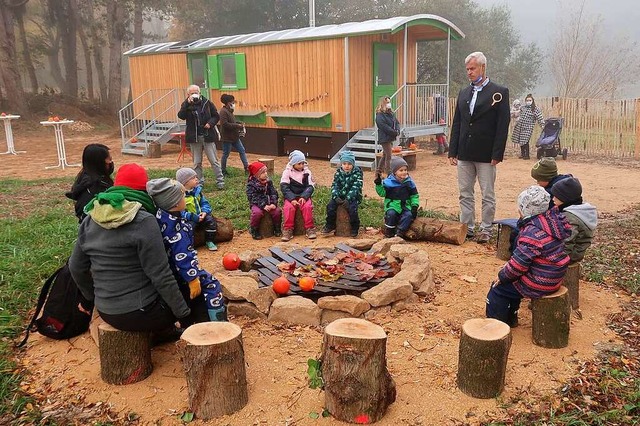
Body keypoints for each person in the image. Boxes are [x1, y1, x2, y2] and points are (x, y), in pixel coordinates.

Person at [68, 164, 191, 340]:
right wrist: (184, 315)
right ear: (144, 190)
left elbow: (76, 267)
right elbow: (160, 274)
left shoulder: (90, 217)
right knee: (187, 287)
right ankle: (164, 331)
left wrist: (91, 298)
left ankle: (158, 332)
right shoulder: (144, 220)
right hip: (142, 312)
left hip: (106, 311)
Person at [486, 185, 571, 327]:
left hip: (540, 281)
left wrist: (502, 276)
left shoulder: (532, 233)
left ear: (524, 210)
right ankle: (511, 318)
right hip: (553, 276)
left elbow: (519, 265)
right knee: (512, 283)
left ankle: (497, 324)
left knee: (499, 289)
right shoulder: (552, 222)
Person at [449, 51, 510, 243]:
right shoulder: (464, 92)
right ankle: (466, 227)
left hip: (486, 154)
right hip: (464, 152)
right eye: (467, 69)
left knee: (487, 194)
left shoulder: (499, 92)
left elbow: (503, 126)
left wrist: (497, 153)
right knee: (465, 193)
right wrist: (453, 150)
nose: (469, 72)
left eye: (472, 68)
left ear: (482, 67)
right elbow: (457, 122)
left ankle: (486, 229)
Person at [147, 178, 227, 322]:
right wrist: (192, 279)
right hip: (182, 273)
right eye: (183, 195)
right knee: (212, 284)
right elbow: (182, 256)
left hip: (170, 270)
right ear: (176, 202)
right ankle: (219, 321)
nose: (185, 198)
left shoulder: (162, 215)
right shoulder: (176, 230)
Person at [177, 85, 225, 189]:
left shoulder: (207, 103)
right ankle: (199, 182)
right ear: (188, 95)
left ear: (199, 93)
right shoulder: (186, 104)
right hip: (194, 137)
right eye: (191, 93)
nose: (194, 94)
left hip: (207, 135)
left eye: (196, 92)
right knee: (197, 162)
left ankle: (220, 180)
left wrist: (210, 123)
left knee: (213, 160)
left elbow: (216, 116)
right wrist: (187, 104)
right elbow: (181, 115)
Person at [551, 177, 598, 264]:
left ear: (565, 199)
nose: (553, 199)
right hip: (575, 252)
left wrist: (557, 261)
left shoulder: (570, 218)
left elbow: (567, 242)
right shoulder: (579, 210)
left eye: (556, 197)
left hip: (571, 255)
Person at [66, 143, 114, 222]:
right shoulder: (96, 187)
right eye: (109, 159)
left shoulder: (84, 178)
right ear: (99, 162)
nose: (111, 162)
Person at [374, 156, 419, 238]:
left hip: (405, 205)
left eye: (405, 170)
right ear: (394, 172)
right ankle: (389, 231)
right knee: (391, 214)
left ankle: (400, 232)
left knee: (408, 215)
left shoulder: (409, 182)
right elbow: (382, 193)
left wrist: (414, 206)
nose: (404, 172)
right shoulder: (388, 182)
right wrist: (378, 184)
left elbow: (414, 195)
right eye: (401, 170)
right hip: (392, 205)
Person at [175, 167, 219, 251]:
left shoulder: (197, 191)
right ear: (185, 182)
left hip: (201, 216)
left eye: (196, 177)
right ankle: (189, 245)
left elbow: (204, 203)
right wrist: (192, 216)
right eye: (193, 178)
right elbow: (180, 212)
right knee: (187, 228)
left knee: (211, 221)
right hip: (189, 219)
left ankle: (209, 240)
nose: (196, 179)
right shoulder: (180, 196)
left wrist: (205, 212)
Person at [322, 151, 363, 237]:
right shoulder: (338, 173)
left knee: (352, 210)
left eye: (349, 164)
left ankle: (355, 227)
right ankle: (330, 224)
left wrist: (348, 198)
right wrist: (335, 196)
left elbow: (356, 187)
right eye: (344, 163)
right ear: (341, 164)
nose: (347, 166)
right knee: (330, 206)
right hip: (340, 196)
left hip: (353, 196)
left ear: (353, 164)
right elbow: (335, 185)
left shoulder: (357, 174)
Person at [280, 150, 317, 241]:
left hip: (303, 196)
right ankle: (288, 229)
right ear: (293, 163)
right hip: (291, 196)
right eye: (299, 164)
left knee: (307, 207)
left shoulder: (307, 172)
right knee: (288, 208)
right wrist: (291, 198)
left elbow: (310, 186)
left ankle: (310, 228)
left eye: (303, 163)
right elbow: (284, 187)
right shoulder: (287, 172)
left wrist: (304, 197)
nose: (301, 166)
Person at [246, 161, 282, 240]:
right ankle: (254, 230)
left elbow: (274, 193)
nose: (266, 174)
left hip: (269, 203)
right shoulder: (251, 184)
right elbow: (252, 197)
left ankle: (277, 228)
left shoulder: (268, 182)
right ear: (256, 175)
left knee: (277, 211)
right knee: (257, 213)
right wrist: (263, 205)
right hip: (257, 204)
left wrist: (273, 203)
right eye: (263, 172)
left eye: (266, 171)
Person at [219, 94, 250, 175]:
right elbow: (225, 124)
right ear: (228, 103)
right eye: (232, 102)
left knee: (242, 150)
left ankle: (246, 167)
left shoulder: (230, 111)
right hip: (227, 137)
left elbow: (231, 122)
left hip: (234, 137)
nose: (234, 103)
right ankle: (223, 170)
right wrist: (237, 125)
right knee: (226, 154)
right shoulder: (223, 112)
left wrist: (238, 123)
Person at [511, 94, 544, 160]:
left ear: (532, 101)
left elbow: (540, 118)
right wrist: (512, 113)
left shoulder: (535, 109)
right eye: (527, 100)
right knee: (521, 141)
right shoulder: (523, 108)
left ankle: (527, 155)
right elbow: (517, 114)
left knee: (525, 141)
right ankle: (523, 154)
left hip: (528, 128)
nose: (528, 101)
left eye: (530, 100)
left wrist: (543, 125)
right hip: (520, 126)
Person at [375, 96, 400, 178]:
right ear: (383, 104)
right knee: (389, 155)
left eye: (389, 102)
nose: (389, 104)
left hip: (390, 137)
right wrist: (393, 132)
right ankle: (389, 173)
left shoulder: (391, 113)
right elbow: (383, 126)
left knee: (385, 155)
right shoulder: (379, 115)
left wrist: (397, 130)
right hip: (384, 138)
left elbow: (396, 122)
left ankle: (378, 172)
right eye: (387, 102)